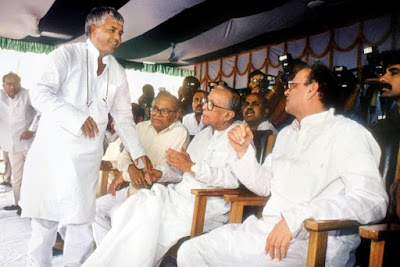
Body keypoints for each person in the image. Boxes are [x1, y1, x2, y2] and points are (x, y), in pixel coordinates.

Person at [177, 62, 388, 266]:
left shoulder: (347, 132)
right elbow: (265, 185)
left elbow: (373, 201)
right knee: (191, 251)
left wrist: (300, 216)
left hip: (316, 240)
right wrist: (242, 153)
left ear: (312, 89)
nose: (285, 92)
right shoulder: (287, 134)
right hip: (266, 230)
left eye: (292, 86)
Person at [19, 7, 153, 267]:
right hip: (53, 155)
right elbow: (40, 93)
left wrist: (139, 153)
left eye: (121, 33)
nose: (118, 38)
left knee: (81, 226)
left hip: (86, 160)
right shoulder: (66, 54)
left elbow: (124, 118)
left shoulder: (118, 72)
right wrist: (75, 117)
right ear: (93, 29)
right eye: (112, 30)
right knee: (45, 224)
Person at [83, 85, 242, 266]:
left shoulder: (238, 138)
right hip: (176, 196)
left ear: (228, 115)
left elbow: (233, 181)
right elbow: (181, 171)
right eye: (206, 101)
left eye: (211, 104)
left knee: (143, 225)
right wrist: (161, 173)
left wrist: (193, 167)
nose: (204, 106)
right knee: (136, 206)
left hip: (202, 205)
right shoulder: (203, 135)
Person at [93, 91, 190, 245]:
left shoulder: (181, 133)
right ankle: (108, 258)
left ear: (177, 114)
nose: (157, 114)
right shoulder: (140, 127)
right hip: (131, 189)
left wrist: (127, 176)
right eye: (155, 108)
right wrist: (131, 169)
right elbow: (124, 158)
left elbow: (171, 170)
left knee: (120, 216)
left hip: (156, 194)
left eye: (165, 111)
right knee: (96, 209)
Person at [0, 72, 39, 215]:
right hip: (11, 145)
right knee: (16, 178)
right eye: (8, 84)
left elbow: (40, 112)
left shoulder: (28, 95)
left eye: (14, 83)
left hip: (30, 144)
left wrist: (31, 130)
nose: (11, 87)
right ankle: (19, 205)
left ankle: (34, 206)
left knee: (33, 175)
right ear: (3, 85)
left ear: (20, 83)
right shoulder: (1, 96)